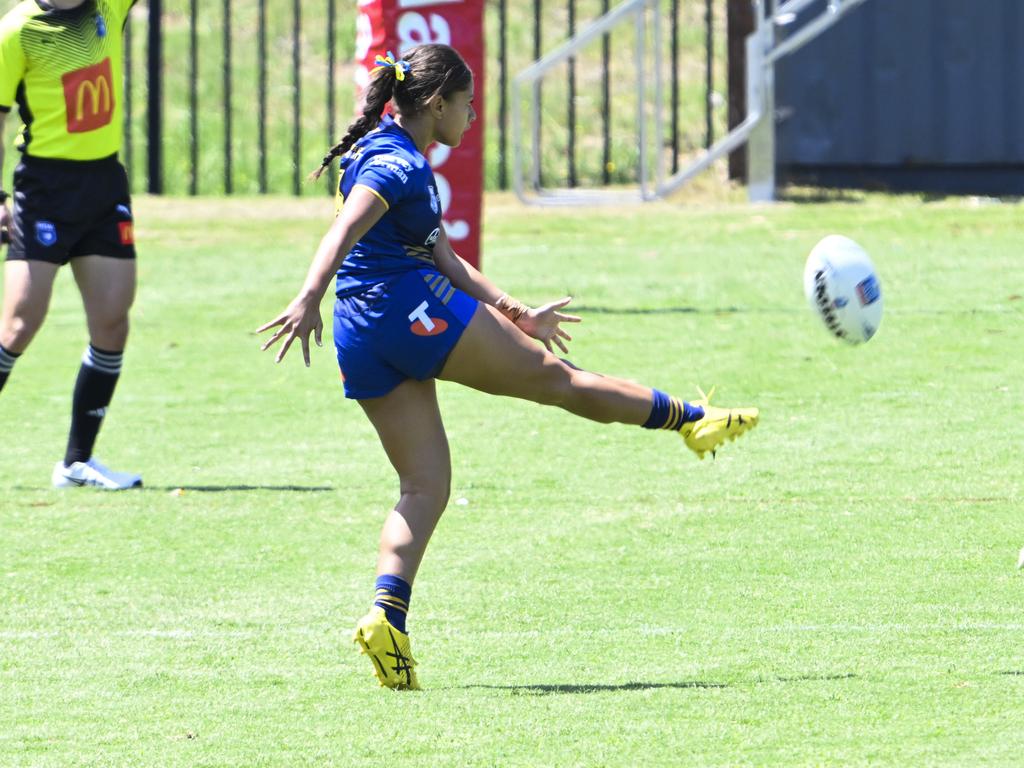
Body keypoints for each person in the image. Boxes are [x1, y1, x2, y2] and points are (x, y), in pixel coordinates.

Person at [258, 44, 759, 690]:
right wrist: (305, 295)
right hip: (406, 311)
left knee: (425, 485)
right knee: (559, 382)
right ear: (437, 104)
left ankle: (387, 616)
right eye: (467, 106)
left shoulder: (382, 148)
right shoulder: (397, 163)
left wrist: (511, 308)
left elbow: (439, 251)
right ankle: (689, 420)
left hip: (361, 334)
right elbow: (346, 229)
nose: (472, 120)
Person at [0, 0, 140, 489]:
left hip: (103, 185)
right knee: (18, 323)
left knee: (111, 323)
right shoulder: (17, 30)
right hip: (44, 189)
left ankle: (77, 463)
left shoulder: (109, 5)